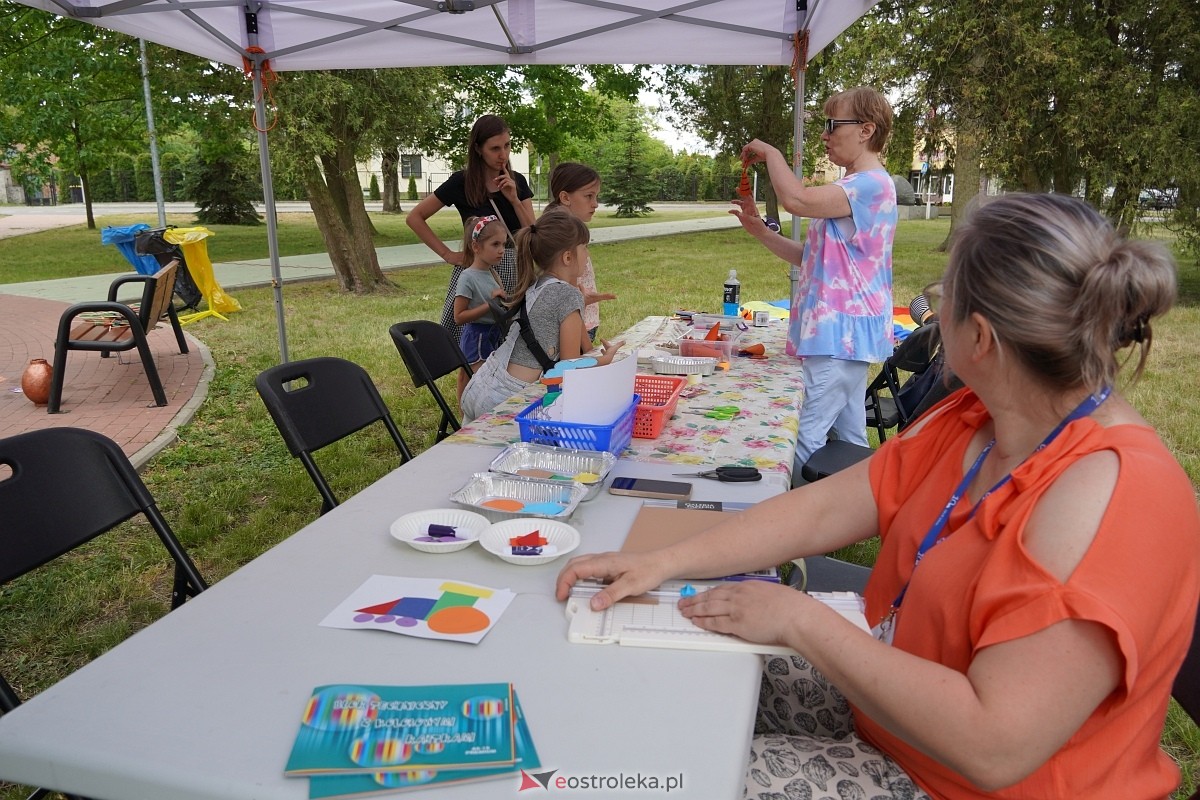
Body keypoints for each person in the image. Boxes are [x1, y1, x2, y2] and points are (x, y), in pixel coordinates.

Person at [557, 193, 1200, 800]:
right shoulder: (978, 419)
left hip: (954, 782)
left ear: (978, 337)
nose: (928, 311)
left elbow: (996, 746)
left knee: (666, 773)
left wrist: (798, 620)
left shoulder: (1114, 495)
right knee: (666, 678)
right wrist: (662, 563)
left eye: (940, 296)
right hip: (892, 718)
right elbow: (824, 507)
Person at [731, 86, 896, 474]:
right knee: (850, 437)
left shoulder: (868, 185)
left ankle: (798, 524)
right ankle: (850, 516)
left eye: (831, 124)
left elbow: (797, 200)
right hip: (844, 336)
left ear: (865, 130)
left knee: (804, 436)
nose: (824, 135)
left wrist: (771, 153)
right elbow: (811, 258)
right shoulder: (854, 189)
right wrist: (760, 231)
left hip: (840, 337)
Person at [460, 208, 623, 422]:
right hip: (507, 399)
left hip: (480, 386)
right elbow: (568, 369)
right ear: (567, 257)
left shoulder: (537, 284)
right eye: (585, 247)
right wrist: (606, 359)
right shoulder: (567, 294)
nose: (588, 255)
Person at [406, 114, 536, 346]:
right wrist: (448, 255)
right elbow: (415, 218)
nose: (503, 155)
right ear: (478, 149)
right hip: (479, 272)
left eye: (507, 146)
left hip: (516, 269)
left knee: (516, 341)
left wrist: (514, 199)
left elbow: (533, 233)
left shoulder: (517, 181)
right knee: (470, 341)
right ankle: (468, 382)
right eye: (495, 148)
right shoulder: (461, 183)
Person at [546, 162, 617, 342]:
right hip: (573, 326)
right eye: (588, 196)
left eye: (596, 196)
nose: (595, 204)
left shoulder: (570, 229)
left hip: (582, 321)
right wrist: (587, 347)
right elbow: (564, 298)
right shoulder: (562, 235)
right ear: (565, 197)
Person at [452, 215, 509, 400]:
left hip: (494, 334)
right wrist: (489, 305)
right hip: (476, 337)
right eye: (495, 244)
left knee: (491, 384)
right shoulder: (467, 277)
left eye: (504, 244)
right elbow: (459, 317)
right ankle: (466, 420)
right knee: (478, 384)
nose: (502, 250)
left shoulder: (492, 273)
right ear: (476, 246)